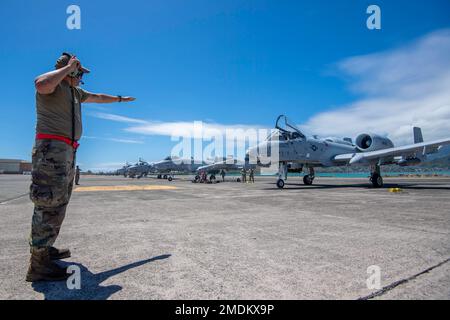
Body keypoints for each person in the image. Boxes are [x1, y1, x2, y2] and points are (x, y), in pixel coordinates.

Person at [27, 52, 136, 282]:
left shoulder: (76, 92)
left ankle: (45, 249)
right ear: (71, 71)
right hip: (51, 151)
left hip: (66, 152)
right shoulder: (53, 85)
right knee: (48, 203)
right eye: (79, 73)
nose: (81, 78)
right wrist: (67, 68)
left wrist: (119, 99)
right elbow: (40, 84)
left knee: (59, 203)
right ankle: (38, 264)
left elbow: (98, 97)